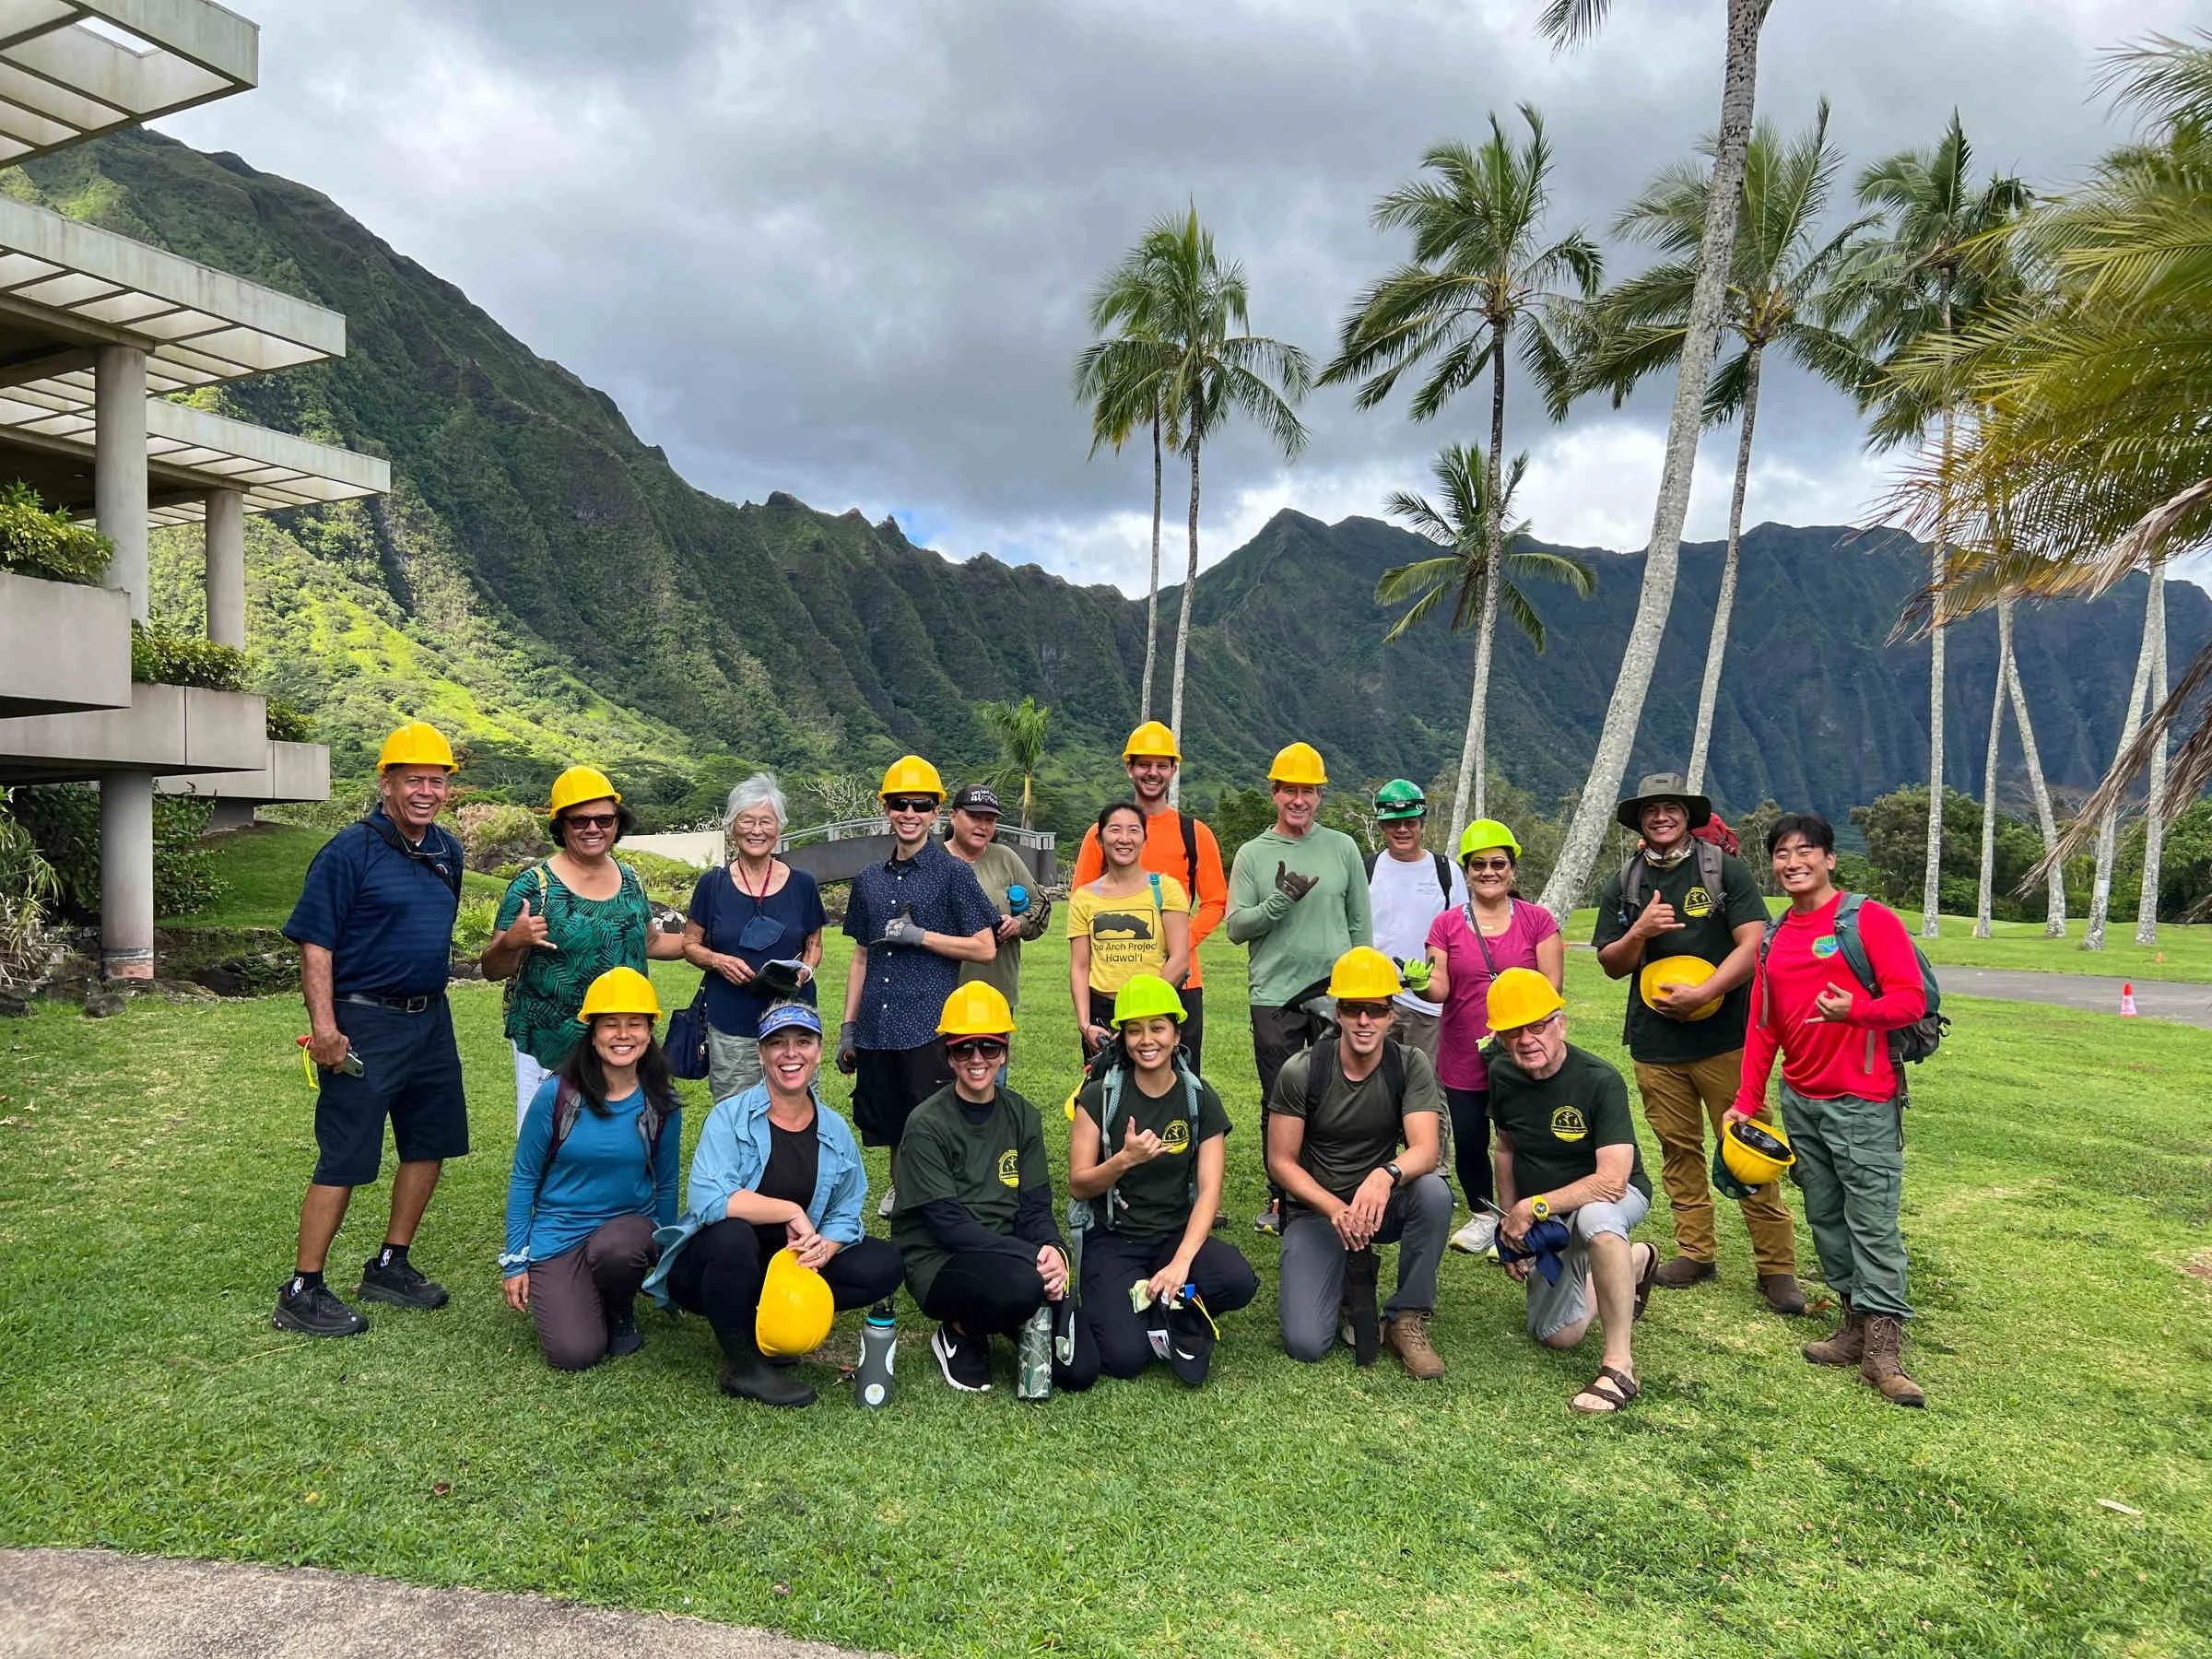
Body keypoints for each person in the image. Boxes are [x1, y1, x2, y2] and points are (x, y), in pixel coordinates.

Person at [274, 721, 470, 1337]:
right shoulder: (348, 852)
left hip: (430, 1017)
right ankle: (302, 1289)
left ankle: (391, 1263)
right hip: (363, 1019)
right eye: (414, 780)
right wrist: (325, 1028)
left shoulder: (447, 851)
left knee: (430, 1141)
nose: (426, 792)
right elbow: (316, 944)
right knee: (346, 1153)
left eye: (437, 781)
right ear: (386, 783)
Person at [1732, 812, 1928, 1407]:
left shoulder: (1868, 920)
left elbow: (1911, 1001)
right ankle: (1853, 1330)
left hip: (1863, 1102)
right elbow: (1763, 1026)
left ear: (1829, 859)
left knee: (1873, 1224)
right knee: (1826, 1219)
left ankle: (1884, 1354)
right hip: (1802, 1102)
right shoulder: (1774, 938)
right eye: (1782, 853)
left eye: (1805, 851)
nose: (1793, 862)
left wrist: (1856, 1012)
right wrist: (1746, 1102)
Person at [1593, 771, 1804, 1314]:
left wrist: (1705, 993)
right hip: (1656, 1044)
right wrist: (1640, 931)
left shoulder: (1723, 869)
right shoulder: (1625, 881)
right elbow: (1611, 964)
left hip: (1725, 1039)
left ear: (1688, 815)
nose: (1661, 817)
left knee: (1746, 1147)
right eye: (1651, 810)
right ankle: (1695, 1251)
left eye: (1671, 808)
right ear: (1640, 821)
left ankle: (1776, 1266)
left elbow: (1754, 944)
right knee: (1677, 1149)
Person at [644, 1000, 905, 1407]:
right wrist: (789, 1211)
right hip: (717, 1264)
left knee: (884, 1262)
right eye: (777, 1043)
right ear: (761, 1052)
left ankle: (777, 1324)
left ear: (818, 1051)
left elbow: (847, 1207)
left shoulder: (834, 1129)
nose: (790, 1053)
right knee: (732, 1236)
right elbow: (709, 1199)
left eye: (803, 1042)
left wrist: (826, 1247)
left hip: (789, 1263)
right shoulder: (729, 1117)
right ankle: (742, 1365)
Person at [890, 983, 1096, 1394]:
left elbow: (1035, 1208)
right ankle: (959, 1331)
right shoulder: (926, 1124)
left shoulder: (1023, 1115)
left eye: (989, 1046)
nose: (977, 1059)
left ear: (1004, 1051)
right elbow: (949, 1226)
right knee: (1022, 1285)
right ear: (948, 1054)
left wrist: (1054, 1252)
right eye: (963, 1048)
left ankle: (1011, 1309)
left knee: (1079, 1370)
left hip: (1011, 1258)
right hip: (941, 1259)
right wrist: (1031, 1257)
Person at [1481, 968, 1662, 1415]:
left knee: (1597, 1219)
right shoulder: (1502, 1072)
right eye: (1513, 1031)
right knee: (1557, 1335)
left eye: (1538, 1026)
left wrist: (1535, 1206)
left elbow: (1612, 1181)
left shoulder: (1599, 1079)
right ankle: (1634, 1261)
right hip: (1549, 1213)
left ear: (1561, 1023)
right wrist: (1510, 1222)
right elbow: (1505, 1148)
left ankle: (1619, 1366)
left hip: (1612, 1197)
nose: (1527, 1040)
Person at [1266, 947, 1452, 1380]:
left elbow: (1426, 1150)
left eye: (1376, 1010)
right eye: (1353, 1009)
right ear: (1338, 1012)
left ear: (1391, 1014)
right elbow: (1280, 1162)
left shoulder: (1409, 1064)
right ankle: (1349, 1281)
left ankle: (1406, 1317)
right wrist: (1335, 1209)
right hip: (1318, 1210)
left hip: (1378, 1204)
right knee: (1305, 1343)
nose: (1364, 1021)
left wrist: (1385, 1175)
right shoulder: (1303, 1070)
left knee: (1433, 1193)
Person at [1067, 974, 1258, 1384]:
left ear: (1176, 1034)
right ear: (1123, 1038)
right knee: (1124, 1358)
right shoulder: (1100, 1096)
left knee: (1237, 1280)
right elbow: (1079, 1185)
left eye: (1158, 1028)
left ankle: (1171, 1298)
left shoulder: (1198, 1097)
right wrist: (1123, 1160)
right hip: (1115, 1240)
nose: (1146, 1040)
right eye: (1134, 1030)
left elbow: (1209, 1191)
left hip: (1174, 1235)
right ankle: (1162, 1307)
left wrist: (1181, 1262)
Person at [836, 756, 999, 1215]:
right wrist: (849, 1028)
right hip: (877, 1028)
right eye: (899, 804)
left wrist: (921, 937)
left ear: (935, 812)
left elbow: (985, 947)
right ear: (885, 807)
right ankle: (907, 1208)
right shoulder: (868, 880)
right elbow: (862, 956)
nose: (909, 813)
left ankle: (947, 1213)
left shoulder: (953, 873)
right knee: (894, 1132)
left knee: (936, 1128)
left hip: (928, 1026)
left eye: (921, 805)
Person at [484, 765, 687, 1132]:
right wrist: (512, 941)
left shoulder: (630, 879)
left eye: (604, 820)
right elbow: (492, 968)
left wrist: (708, 945)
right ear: (561, 825)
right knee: (550, 1140)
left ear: (617, 823)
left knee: (620, 1137)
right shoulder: (534, 886)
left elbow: (651, 942)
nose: (593, 828)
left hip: (623, 1040)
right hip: (551, 1044)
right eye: (580, 820)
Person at [500, 968, 681, 1371]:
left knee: (618, 1249)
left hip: (627, 1230)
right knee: (574, 1353)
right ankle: (585, 1292)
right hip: (560, 1232)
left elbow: (667, 1182)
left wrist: (667, 1255)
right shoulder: (557, 1095)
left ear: (649, 1031)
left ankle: (619, 1308)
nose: (623, 1035)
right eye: (610, 1024)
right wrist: (515, 1260)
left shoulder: (660, 1101)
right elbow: (524, 1177)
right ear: (593, 1031)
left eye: (635, 1023)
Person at [1226, 741, 1371, 1233]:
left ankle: (1337, 1187)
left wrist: (1362, 988)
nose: (1299, 800)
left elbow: (1360, 924)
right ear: (1275, 793)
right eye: (1290, 790)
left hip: (1335, 992)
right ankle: (1282, 1197)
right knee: (1280, 1097)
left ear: (1319, 796)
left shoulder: (1343, 848)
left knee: (1340, 1092)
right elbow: (1236, 927)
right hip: (1274, 995)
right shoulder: (1252, 854)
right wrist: (1278, 902)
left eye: (1308, 791)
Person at [1417, 818, 1562, 1256]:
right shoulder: (1445, 925)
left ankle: (1525, 1217)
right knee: (1469, 1139)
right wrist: (1420, 984)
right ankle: (1484, 1215)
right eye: (1478, 864)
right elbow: (1439, 988)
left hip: (1524, 1050)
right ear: (1466, 871)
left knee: (1523, 1137)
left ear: (1512, 869)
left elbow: (1551, 988)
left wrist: (1515, 1026)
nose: (1489, 872)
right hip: (1464, 1050)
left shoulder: (1538, 921)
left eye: (1498, 863)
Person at [1067, 722, 1229, 1068]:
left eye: (1161, 765)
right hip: (1110, 986)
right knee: (1107, 1082)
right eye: (1144, 764)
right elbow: (1083, 901)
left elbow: (1215, 901)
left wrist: (1177, 942)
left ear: (1173, 770)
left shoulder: (1194, 833)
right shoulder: (1102, 834)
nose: (1152, 773)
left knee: (1178, 1079)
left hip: (1180, 980)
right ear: (1130, 768)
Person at [681, 772, 827, 1104]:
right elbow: (689, 944)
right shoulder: (712, 885)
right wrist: (718, 961)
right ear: (732, 826)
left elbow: (814, 944)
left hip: (792, 1019)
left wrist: (805, 971)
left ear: (779, 828)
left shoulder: (803, 884)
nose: (756, 830)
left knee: (797, 1108)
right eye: (746, 821)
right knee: (736, 1111)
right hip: (732, 1021)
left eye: (766, 821)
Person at [1068, 800, 1192, 1057]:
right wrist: (1084, 1024)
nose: (1124, 839)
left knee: (1155, 1081)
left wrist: (1140, 1009)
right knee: (1104, 1082)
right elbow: (1080, 966)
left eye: (1134, 830)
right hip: (1102, 1013)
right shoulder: (1084, 897)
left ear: (1145, 839)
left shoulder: (1167, 889)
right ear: (1100, 839)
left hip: (1154, 1009)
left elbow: (1180, 958)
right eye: (1115, 830)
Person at [1363, 779, 1465, 1065]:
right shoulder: (1367, 870)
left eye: (1410, 822)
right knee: (1375, 1080)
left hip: (1428, 1002)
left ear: (1422, 824)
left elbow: (1461, 936)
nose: (1402, 829)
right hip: (1376, 999)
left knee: (1425, 1080)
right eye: (1393, 823)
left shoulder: (1446, 872)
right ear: (1381, 826)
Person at [945, 782, 1052, 1046]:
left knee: (990, 1065)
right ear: (953, 816)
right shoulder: (933, 859)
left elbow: (1041, 904)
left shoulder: (1005, 858)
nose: (982, 826)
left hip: (996, 991)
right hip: (941, 993)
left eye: (990, 820)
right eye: (974, 817)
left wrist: (1019, 923)